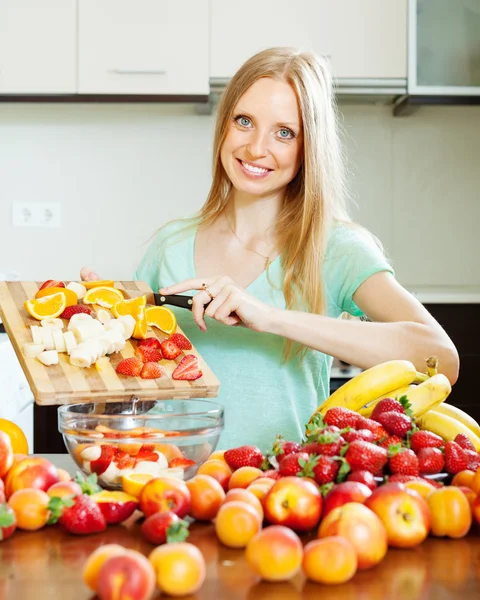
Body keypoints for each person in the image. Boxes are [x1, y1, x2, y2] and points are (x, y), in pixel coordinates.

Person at [81, 47, 459, 451]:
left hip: (280, 493)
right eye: (244, 121)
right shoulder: (169, 244)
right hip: (172, 487)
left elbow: (440, 360)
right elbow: (130, 390)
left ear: (308, 147)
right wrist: (101, 327)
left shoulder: (335, 249)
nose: (256, 148)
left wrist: (271, 317)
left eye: (284, 132)